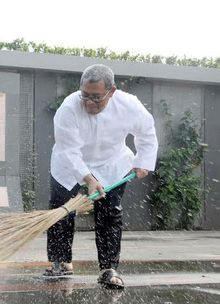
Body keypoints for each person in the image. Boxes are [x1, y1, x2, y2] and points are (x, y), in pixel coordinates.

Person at [44, 64, 158, 289]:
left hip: (111, 164)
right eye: (84, 96)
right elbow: (69, 151)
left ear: (111, 91)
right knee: (61, 212)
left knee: (109, 214)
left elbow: (147, 132)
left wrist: (143, 162)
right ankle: (61, 261)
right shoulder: (68, 108)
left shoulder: (128, 105)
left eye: (96, 97)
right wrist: (87, 178)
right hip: (70, 166)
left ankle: (108, 268)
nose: (88, 103)